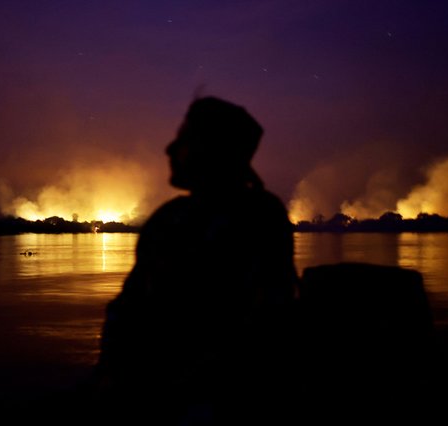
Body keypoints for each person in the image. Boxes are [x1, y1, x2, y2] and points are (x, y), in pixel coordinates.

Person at [94, 97, 299, 424]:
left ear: (212, 149)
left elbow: (258, 327)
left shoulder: (256, 220)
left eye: (184, 139)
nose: (170, 149)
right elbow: (128, 310)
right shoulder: (171, 219)